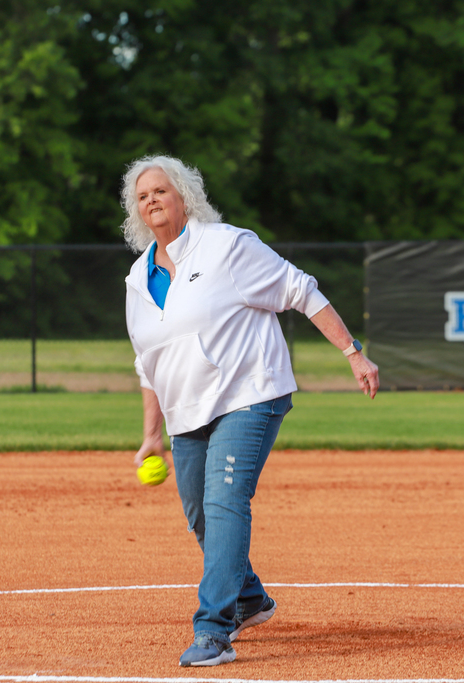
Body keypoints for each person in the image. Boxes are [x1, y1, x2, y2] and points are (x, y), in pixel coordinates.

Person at [122, 155, 379, 667]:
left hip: (249, 393)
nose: (151, 199)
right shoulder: (136, 279)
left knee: (224, 502)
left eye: (161, 190)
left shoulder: (227, 246)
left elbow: (300, 290)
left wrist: (352, 352)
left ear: (184, 197)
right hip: (186, 413)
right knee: (199, 513)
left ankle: (214, 630)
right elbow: (148, 365)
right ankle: (250, 598)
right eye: (142, 195)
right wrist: (152, 435)